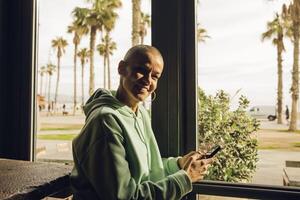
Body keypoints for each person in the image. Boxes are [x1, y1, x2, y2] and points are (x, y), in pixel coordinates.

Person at [70, 45, 213, 200]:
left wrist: (179, 164)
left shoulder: (140, 113)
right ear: (121, 68)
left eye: (155, 76)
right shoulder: (105, 121)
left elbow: (149, 171)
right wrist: (185, 178)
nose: (148, 80)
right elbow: (127, 196)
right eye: (142, 71)